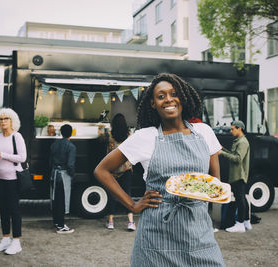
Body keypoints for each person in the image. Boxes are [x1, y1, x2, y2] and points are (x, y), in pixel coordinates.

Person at [94, 73, 225, 266]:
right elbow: (102, 170)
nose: (168, 99)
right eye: (161, 96)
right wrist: (132, 205)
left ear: (183, 97)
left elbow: (215, 182)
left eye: (174, 93)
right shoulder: (145, 137)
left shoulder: (204, 132)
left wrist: (213, 193)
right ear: (153, 104)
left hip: (198, 232)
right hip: (157, 237)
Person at [0, 108, 26, 254]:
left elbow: (22, 158)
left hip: (13, 179)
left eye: (6, 118)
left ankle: (16, 241)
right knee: (3, 210)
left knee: (14, 210)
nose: (3, 121)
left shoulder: (16, 136)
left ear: (12, 121)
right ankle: (5, 239)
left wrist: (2, 155)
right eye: (0, 119)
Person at [100, 113, 135, 231]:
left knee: (113, 195)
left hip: (112, 170)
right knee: (126, 194)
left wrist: (101, 125)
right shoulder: (129, 136)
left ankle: (111, 222)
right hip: (126, 169)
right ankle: (130, 222)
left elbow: (99, 136)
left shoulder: (109, 135)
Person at [219, 120, 251, 233]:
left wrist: (221, 153)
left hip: (239, 175)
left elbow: (237, 159)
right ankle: (246, 222)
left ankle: (240, 224)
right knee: (242, 198)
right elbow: (233, 154)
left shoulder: (242, 142)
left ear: (239, 129)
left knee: (240, 199)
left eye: (233, 129)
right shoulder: (239, 141)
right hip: (238, 175)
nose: (231, 131)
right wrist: (222, 149)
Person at [50, 124, 76, 233]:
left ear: (61, 132)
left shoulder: (54, 145)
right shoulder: (71, 147)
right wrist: (72, 174)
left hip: (54, 174)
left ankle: (56, 222)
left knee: (55, 199)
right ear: (71, 133)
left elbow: (50, 161)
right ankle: (61, 226)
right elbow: (70, 164)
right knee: (62, 200)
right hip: (64, 175)